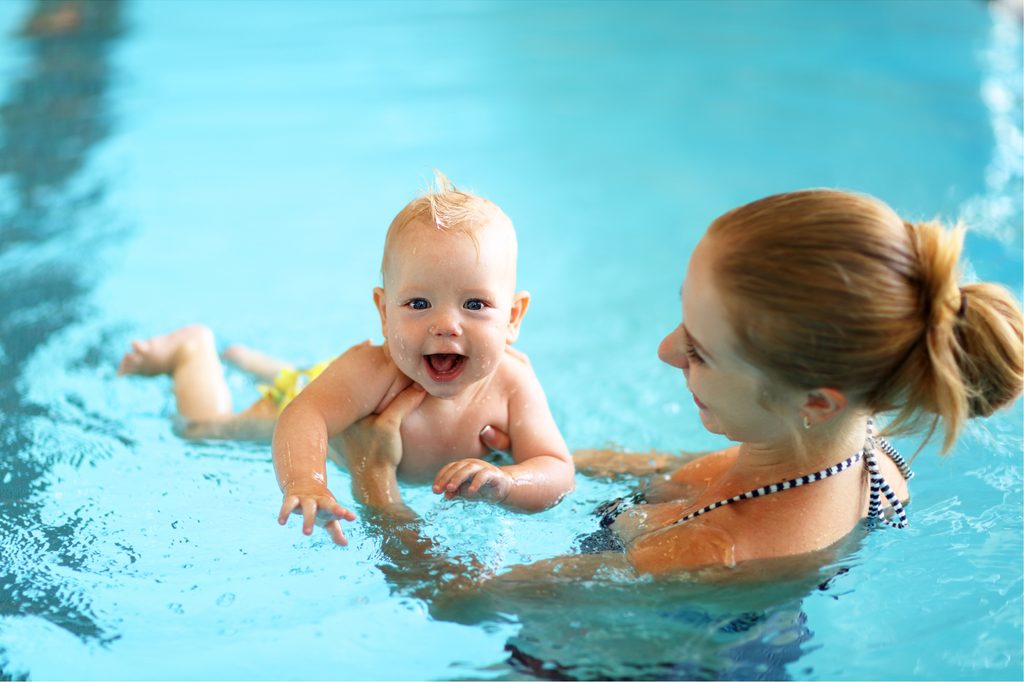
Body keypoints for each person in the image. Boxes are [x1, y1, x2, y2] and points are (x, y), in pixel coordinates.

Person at [342, 189, 1024, 577]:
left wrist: (375, 484)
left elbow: (460, 601)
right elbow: (685, 473)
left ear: (817, 399)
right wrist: (522, 463)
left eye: (699, 350)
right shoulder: (861, 443)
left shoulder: (705, 552)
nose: (667, 350)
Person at [117, 172, 575, 546]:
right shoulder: (375, 371)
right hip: (320, 392)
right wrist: (305, 479)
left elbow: (555, 467)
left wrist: (509, 483)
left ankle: (259, 362)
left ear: (514, 317)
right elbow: (305, 414)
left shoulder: (513, 383)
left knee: (322, 381)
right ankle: (191, 352)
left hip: (338, 387)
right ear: (383, 312)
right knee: (207, 431)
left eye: (475, 305)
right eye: (418, 304)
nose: (446, 325)